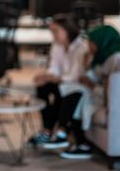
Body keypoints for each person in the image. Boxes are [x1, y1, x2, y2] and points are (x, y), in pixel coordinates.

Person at [59, 25, 120, 159]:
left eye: (91, 42)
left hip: (105, 98)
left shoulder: (116, 59)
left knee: (76, 96)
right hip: (95, 94)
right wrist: (86, 63)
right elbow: (89, 76)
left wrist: (93, 85)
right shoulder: (101, 57)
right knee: (73, 93)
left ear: (103, 41)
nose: (89, 46)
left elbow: (115, 87)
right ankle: (72, 137)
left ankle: (66, 132)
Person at [27, 15, 88, 148]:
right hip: (62, 81)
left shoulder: (81, 46)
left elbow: (76, 74)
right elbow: (54, 67)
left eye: (56, 31)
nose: (53, 34)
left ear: (67, 30)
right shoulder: (57, 45)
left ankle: (55, 131)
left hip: (74, 83)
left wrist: (56, 78)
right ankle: (47, 130)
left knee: (60, 91)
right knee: (42, 86)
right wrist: (46, 76)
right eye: (51, 31)